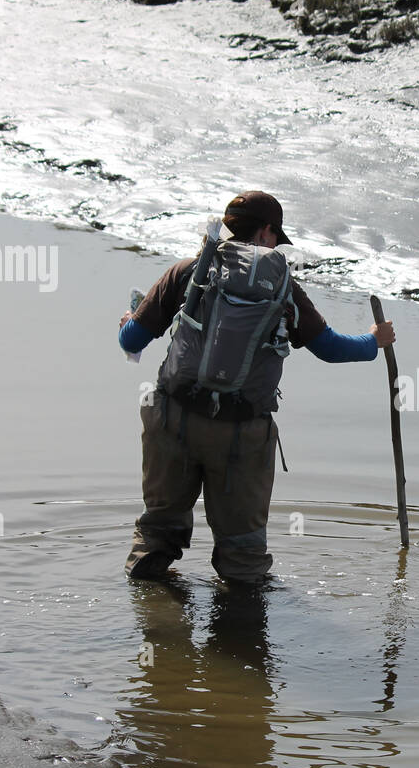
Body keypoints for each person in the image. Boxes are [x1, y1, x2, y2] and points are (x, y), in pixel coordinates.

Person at [117, 191, 395, 583]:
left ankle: (156, 622)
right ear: (266, 231)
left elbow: (130, 342)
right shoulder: (284, 291)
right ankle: (239, 635)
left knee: (156, 535)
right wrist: (374, 342)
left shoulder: (187, 274)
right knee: (243, 556)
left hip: (172, 419)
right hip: (241, 433)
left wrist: (130, 317)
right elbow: (330, 349)